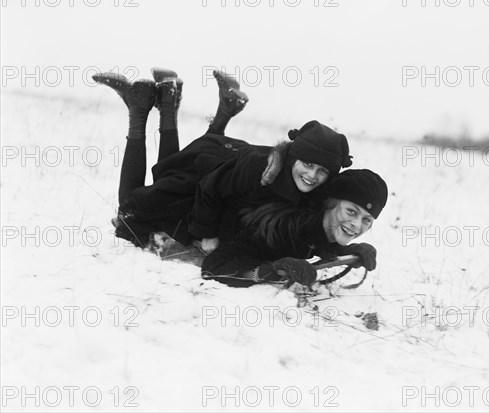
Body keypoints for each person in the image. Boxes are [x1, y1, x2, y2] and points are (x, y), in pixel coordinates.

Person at [94, 68, 353, 253]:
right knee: (130, 209)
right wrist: (206, 234)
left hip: (220, 160)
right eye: (308, 164)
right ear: (293, 158)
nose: (312, 174)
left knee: (165, 175)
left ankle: (173, 97)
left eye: (322, 171)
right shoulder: (264, 170)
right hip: (204, 175)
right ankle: (141, 110)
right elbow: (213, 187)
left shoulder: (307, 186)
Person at [201, 168, 388, 287]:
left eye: (367, 220)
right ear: (330, 203)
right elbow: (213, 267)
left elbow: (321, 242)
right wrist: (272, 270)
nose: (357, 225)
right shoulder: (284, 229)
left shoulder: (320, 227)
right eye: (351, 212)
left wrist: (352, 251)